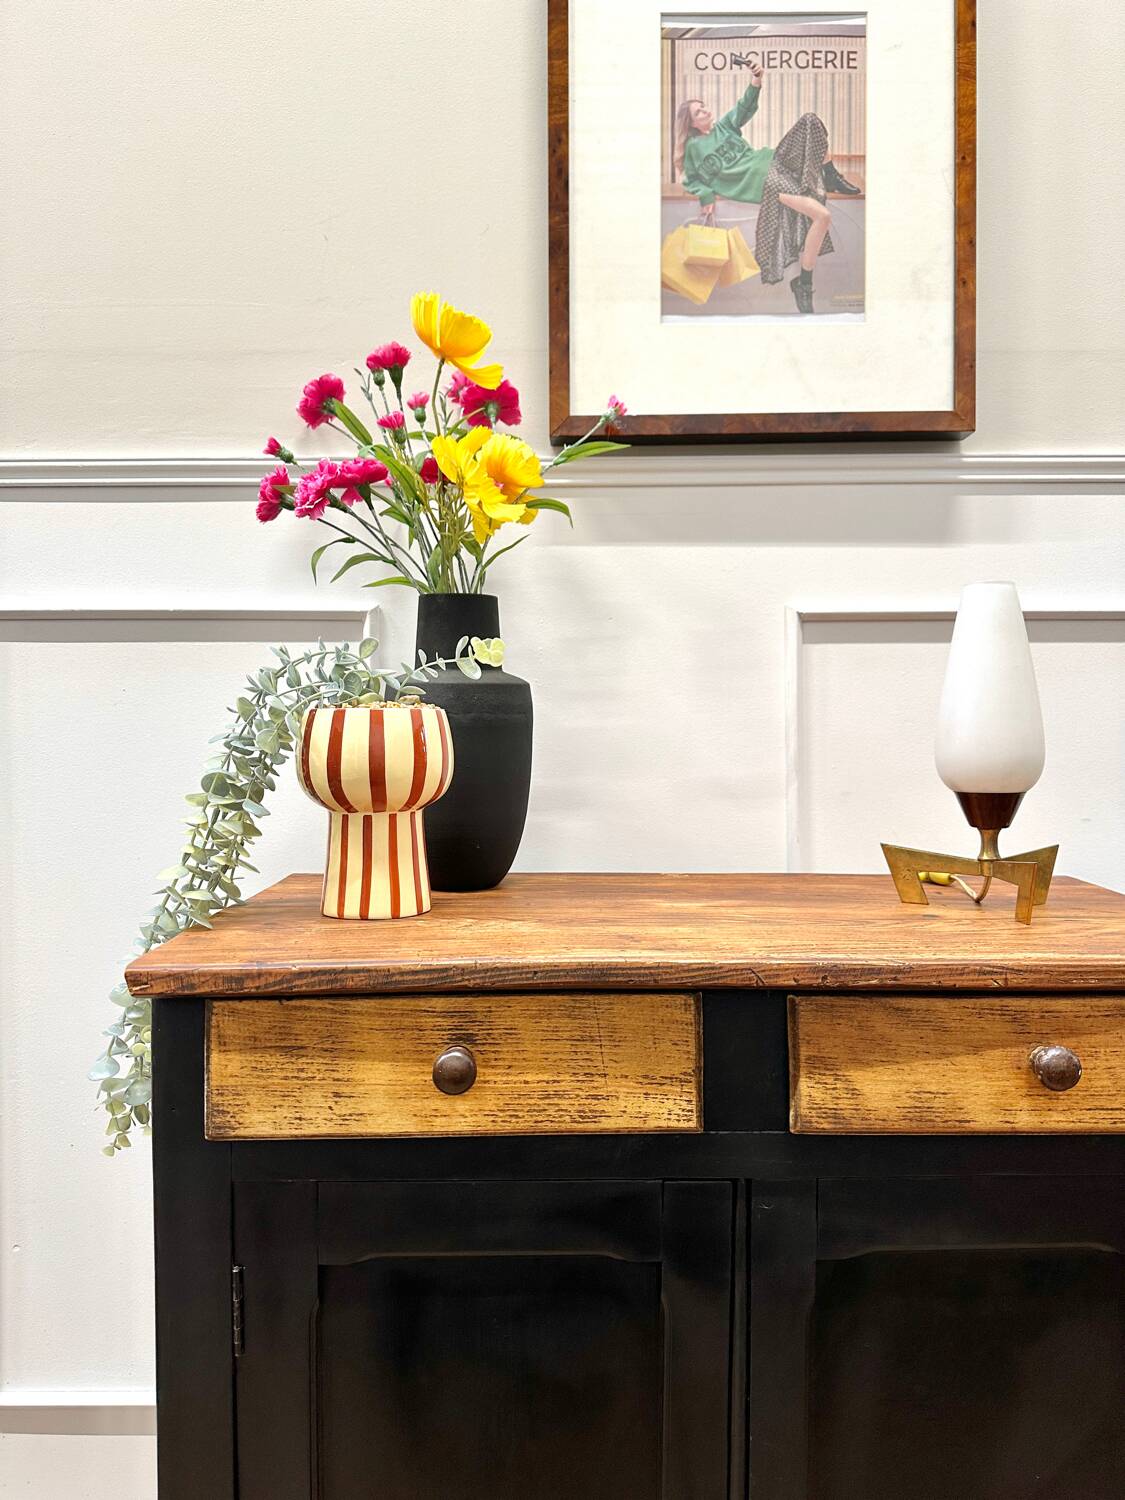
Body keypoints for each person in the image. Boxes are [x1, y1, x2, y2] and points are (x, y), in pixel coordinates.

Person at [673, 64, 860, 314]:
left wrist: (756, 79)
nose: (706, 110)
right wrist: (706, 195)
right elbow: (692, 180)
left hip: (775, 159)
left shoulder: (725, 127)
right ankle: (803, 283)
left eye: (704, 106)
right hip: (767, 182)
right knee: (822, 216)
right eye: (699, 111)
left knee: (810, 122)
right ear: (692, 122)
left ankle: (831, 175)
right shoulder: (695, 148)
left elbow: (744, 106)